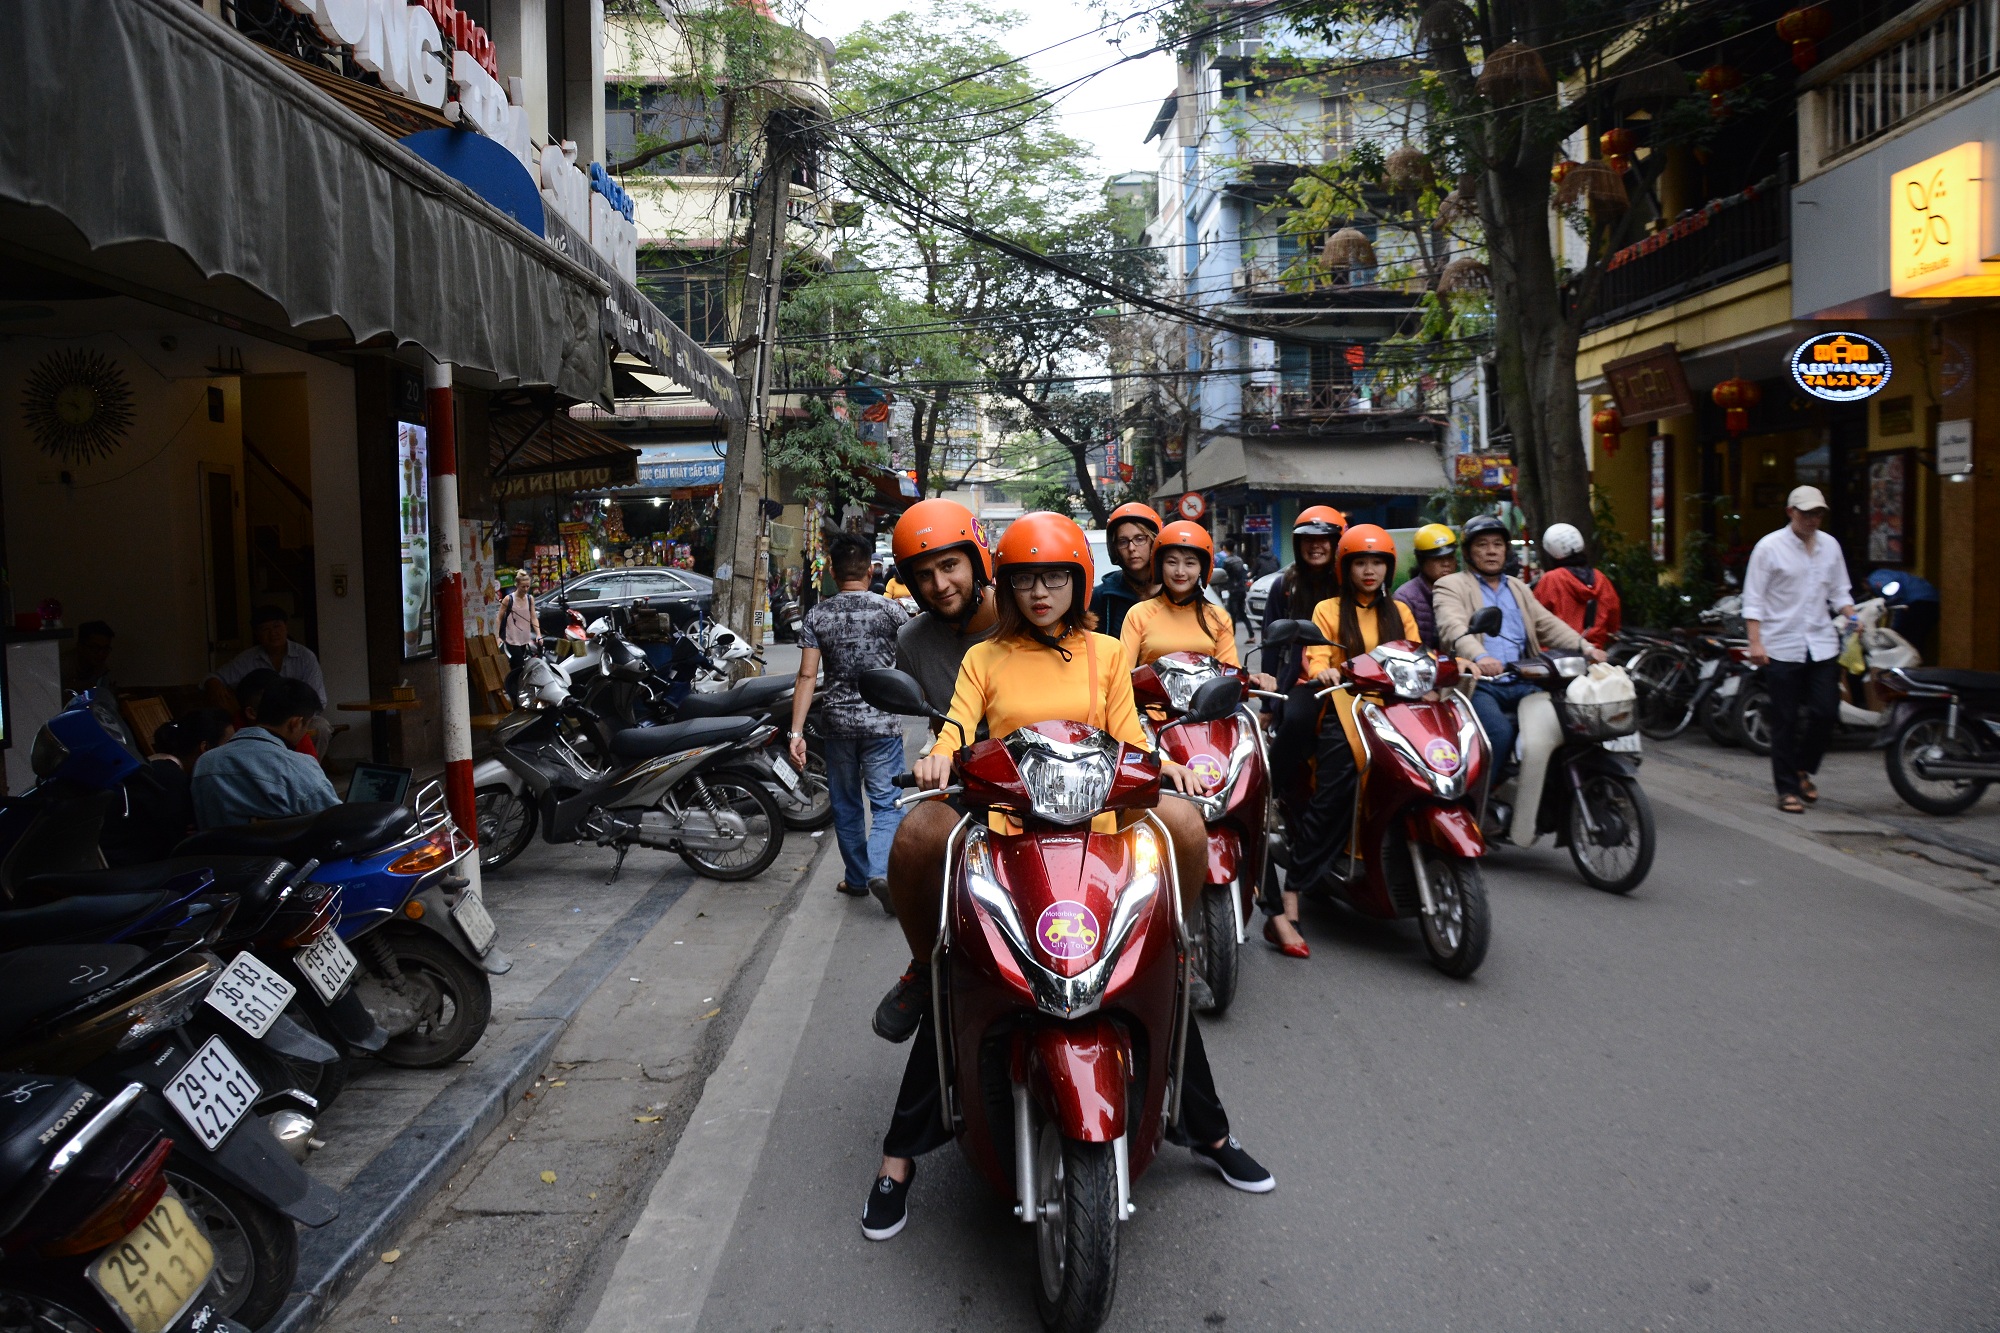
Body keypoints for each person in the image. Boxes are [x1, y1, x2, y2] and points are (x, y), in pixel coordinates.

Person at [862, 510, 1272, 1243]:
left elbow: (1131, 734)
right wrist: (938, 754)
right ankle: (899, 1158)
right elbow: (956, 729)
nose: (1040, 590)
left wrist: (1161, 761)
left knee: (1157, 968)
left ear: (1077, 579)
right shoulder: (984, 659)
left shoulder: (1108, 652)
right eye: (1025, 578)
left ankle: (1208, 1125)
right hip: (1009, 836)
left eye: (1053, 575)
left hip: (1099, 833)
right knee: (963, 973)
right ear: (1008, 584)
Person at [1266, 525, 1424, 957]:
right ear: (1346, 567)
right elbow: (1316, 657)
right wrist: (1326, 669)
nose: (1369, 571)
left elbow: (1416, 654)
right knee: (1339, 782)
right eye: (1360, 562)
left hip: (1393, 708)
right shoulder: (1328, 610)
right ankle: (1294, 888)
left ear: (1389, 567)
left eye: (1377, 562)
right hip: (1345, 703)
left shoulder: (1401, 612)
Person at [788, 534, 909, 905]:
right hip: (882, 724)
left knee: (845, 804)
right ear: (871, 569)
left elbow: (807, 676)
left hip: (837, 725)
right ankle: (879, 872)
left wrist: (796, 732)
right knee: (887, 803)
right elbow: (910, 660)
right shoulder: (890, 611)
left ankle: (857, 878)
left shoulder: (818, 615)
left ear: (833, 572)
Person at [1433, 515, 1603, 777]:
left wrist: (1586, 647)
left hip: (1523, 679)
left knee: (1564, 725)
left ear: (1506, 550)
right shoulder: (1450, 585)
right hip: (1480, 684)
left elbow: (1547, 624)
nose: (1491, 551)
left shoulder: (1518, 587)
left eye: (1498, 544)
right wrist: (1480, 656)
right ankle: (1480, 797)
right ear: (1468, 552)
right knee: (1499, 735)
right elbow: (1452, 627)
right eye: (1482, 545)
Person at [1742, 486, 1856, 814]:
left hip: (1821, 643)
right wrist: (1755, 642)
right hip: (1781, 644)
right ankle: (1787, 789)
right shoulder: (1769, 548)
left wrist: (1851, 614)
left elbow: (1840, 591)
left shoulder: (1830, 546)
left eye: (1818, 513)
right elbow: (1754, 598)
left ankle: (1803, 768)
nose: (1812, 519)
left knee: (1825, 712)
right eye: (1806, 513)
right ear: (1791, 511)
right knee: (1785, 719)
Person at [1119, 521, 1276, 688]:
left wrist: (1253, 681)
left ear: (1203, 568)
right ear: (1159, 566)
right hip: (1151, 711)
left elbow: (1230, 675)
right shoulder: (1138, 614)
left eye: (1190, 563)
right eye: (1172, 562)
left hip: (1208, 712)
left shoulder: (1218, 617)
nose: (1180, 571)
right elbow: (1122, 675)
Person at [1261, 506, 1346, 814]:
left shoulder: (1349, 583)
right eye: (1307, 540)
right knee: (1296, 721)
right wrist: (1269, 704)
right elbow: (1270, 646)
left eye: (1325, 539)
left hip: (1351, 680)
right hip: (1303, 681)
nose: (1316, 546)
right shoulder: (1284, 587)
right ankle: (1268, 790)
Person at [191, 678, 339, 828]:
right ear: (295, 723)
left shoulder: (205, 762)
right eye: (306, 725)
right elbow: (337, 822)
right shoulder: (300, 767)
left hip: (215, 850)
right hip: (280, 850)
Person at [102, 708, 236, 865]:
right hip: (129, 871)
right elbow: (180, 845)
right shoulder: (170, 780)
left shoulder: (160, 766)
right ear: (205, 748)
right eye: (228, 747)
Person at [207, 605, 331, 753]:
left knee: (321, 727)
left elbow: (318, 700)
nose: (273, 633)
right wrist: (215, 684)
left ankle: (309, 768)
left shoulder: (305, 657)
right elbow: (214, 677)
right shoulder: (247, 658)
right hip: (260, 721)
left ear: (286, 627)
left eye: (277, 626)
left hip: (296, 718)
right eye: (265, 629)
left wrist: (292, 720)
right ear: (257, 634)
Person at [1532, 523, 1623, 650]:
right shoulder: (1600, 578)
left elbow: (1534, 617)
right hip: (1594, 653)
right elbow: (1613, 617)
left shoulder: (1551, 579)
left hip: (1557, 655)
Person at [1089, 501, 1164, 638]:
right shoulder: (1104, 596)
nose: (1131, 548)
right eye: (1123, 541)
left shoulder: (1174, 589)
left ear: (1154, 541)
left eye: (1139, 539)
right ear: (1115, 548)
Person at [1393, 523, 1459, 650]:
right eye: (1438, 558)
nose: (1446, 564)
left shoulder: (1463, 589)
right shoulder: (1405, 598)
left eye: (1450, 557)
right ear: (1421, 560)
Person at [1865, 567, 1938, 659]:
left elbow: (1890, 587)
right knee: (1916, 637)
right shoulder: (1893, 575)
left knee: (1909, 637)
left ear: (1864, 581)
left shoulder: (1875, 576)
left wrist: (1889, 598)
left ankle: (1910, 663)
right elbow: (1899, 608)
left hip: (1920, 601)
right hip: (1932, 600)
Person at [499, 573, 540, 666]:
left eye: (527, 586)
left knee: (517, 659)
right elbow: (499, 618)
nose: (525, 589)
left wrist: (538, 634)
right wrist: (498, 636)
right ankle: (516, 677)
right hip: (510, 634)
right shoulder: (508, 599)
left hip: (523, 635)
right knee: (519, 660)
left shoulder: (530, 599)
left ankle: (511, 675)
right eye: (523, 587)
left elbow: (533, 617)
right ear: (517, 585)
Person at [69, 620, 117, 696]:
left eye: (105, 648)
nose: (101, 654)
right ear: (80, 647)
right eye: (95, 648)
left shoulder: (102, 671)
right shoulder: (60, 671)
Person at [1219, 540, 1252, 634]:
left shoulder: (1227, 561)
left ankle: (1232, 635)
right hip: (1241, 589)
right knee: (1241, 612)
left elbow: (1224, 575)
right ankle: (1251, 635)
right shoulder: (1239, 560)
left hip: (1233, 590)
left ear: (1225, 547)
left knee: (1232, 613)